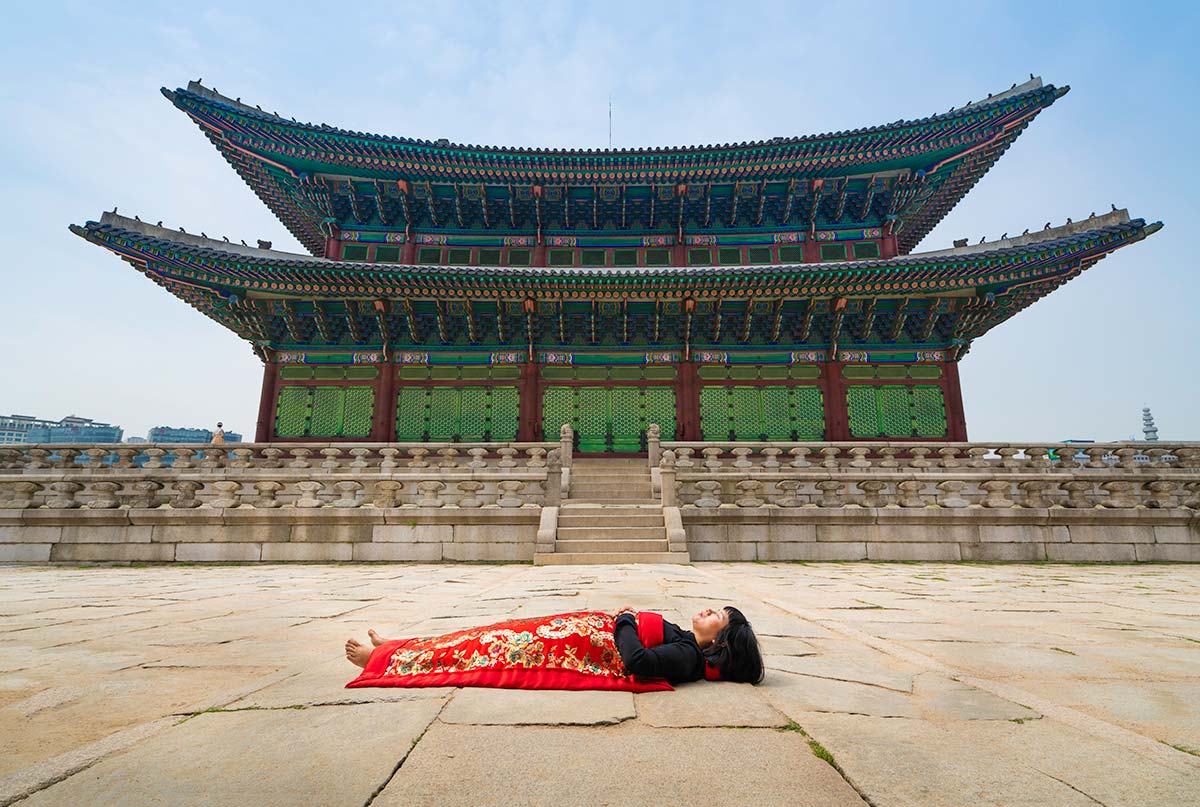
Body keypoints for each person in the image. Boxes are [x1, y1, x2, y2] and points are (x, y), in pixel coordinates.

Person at [344, 606, 763, 690]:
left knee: (485, 649)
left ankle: (381, 661)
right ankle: (399, 647)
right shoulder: (688, 644)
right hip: (571, 632)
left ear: (719, 640)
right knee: (485, 634)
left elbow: (637, 662)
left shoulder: (687, 657)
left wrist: (624, 621)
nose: (708, 610)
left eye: (718, 617)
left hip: (568, 647)